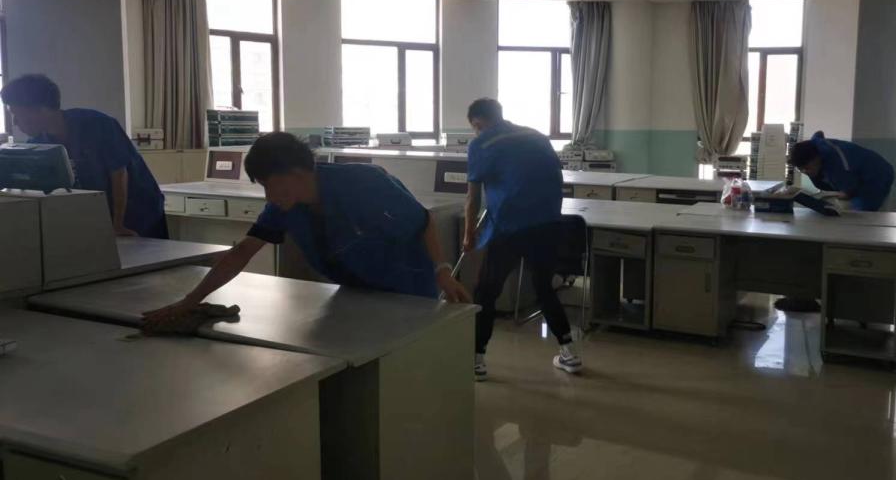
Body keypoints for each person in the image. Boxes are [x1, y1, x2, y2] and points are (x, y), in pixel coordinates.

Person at [143, 132, 470, 328]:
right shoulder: (284, 206)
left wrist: (442, 271)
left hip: (407, 291)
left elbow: (422, 220)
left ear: (297, 174)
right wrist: (190, 300)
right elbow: (243, 251)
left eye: (271, 185)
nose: (269, 196)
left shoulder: (363, 183)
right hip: (353, 292)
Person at [463, 98, 581, 381]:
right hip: (548, 224)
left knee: (486, 292)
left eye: (475, 127)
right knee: (544, 287)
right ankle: (569, 353)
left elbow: (473, 198)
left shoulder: (481, 144)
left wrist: (469, 235)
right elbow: (553, 176)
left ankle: (476, 360)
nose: (476, 131)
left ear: (478, 123)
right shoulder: (536, 136)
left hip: (510, 227)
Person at [1, 74, 167, 238]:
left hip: (138, 210)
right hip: (100, 213)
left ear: (41, 109)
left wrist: (118, 224)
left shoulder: (97, 124)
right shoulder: (38, 143)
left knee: (145, 253)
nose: (15, 122)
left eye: (17, 114)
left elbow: (119, 174)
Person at [788, 131, 895, 212]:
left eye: (807, 168)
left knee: (864, 214)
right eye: (800, 169)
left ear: (817, 158)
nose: (805, 172)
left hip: (877, 175)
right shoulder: (815, 150)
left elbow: (849, 190)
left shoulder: (838, 162)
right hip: (859, 173)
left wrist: (846, 193)